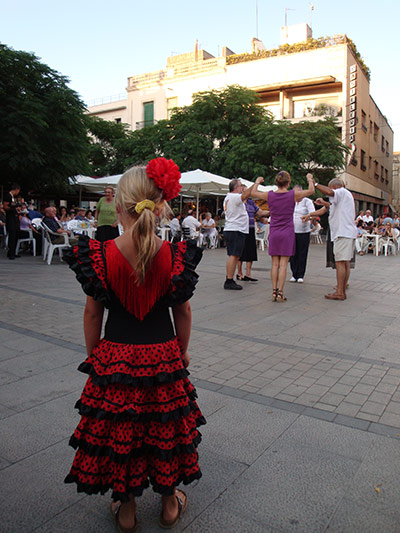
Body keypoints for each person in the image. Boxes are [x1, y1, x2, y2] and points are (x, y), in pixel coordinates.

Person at [63, 158, 205, 531]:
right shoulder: (175, 255)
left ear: (119, 206)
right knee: (165, 428)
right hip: (162, 356)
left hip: (117, 355)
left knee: (122, 433)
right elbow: (184, 311)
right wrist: (182, 349)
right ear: (160, 206)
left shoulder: (99, 254)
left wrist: (96, 355)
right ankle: (169, 503)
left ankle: (126, 511)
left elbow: (93, 314)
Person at [252, 171, 314, 301]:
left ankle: (274, 291)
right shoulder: (293, 195)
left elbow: (253, 193)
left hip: (274, 231)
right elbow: (311, 191)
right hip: (287, 232)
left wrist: (257, 182)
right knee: (284, 264)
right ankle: (280, 292)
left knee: (275, 264)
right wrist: (309, 179)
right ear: (288, 182)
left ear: (276, 182)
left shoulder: (270, 195)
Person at [313, 178, 357, 300]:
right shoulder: (346, 196)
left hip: (343, 233)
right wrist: (325, 203)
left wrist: (315, 184)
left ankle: (340, 292)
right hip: (347, 232)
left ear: (335, 187)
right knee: (345, 261)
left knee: (340, 262)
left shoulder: (341, 191)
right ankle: (342, 288)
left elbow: (330, 193)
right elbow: (334, 205)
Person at [223, 178, 260, 290]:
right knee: (233, 255)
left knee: (235, 255)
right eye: (240, 186)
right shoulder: (234, 197)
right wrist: (256, 183)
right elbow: (245, 195)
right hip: (235, 229)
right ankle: (229, 280)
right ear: (236, 188)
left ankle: (230, 278)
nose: (242, 189)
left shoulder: (229, 197)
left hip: (234, 229)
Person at [237, 192, 269, 282]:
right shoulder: (239, 202)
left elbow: (260, 212)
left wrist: (272, 211)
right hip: (241, 228)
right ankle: (239, 273)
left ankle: (248, 273)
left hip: (250, 228)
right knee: (241, 251)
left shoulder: (251, 202)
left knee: (251, 250)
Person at [289, 185, 315, 283]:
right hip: (292, 231)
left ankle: (300, 274)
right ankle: (293, 273)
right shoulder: (291, 201)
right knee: (292, 253)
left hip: (303, 231)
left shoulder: (307, 201)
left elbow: (313, 213)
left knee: (302, 253)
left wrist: (308, 217)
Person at [3, 183, 21, 260]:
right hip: (10, 218)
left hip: (15, 217)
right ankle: (11, 253)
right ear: (16, 190)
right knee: (12, 235)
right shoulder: (8, 196)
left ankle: (13, 252)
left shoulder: (13, 197)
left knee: (16, 234)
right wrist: (12, 208)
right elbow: (5, 206)